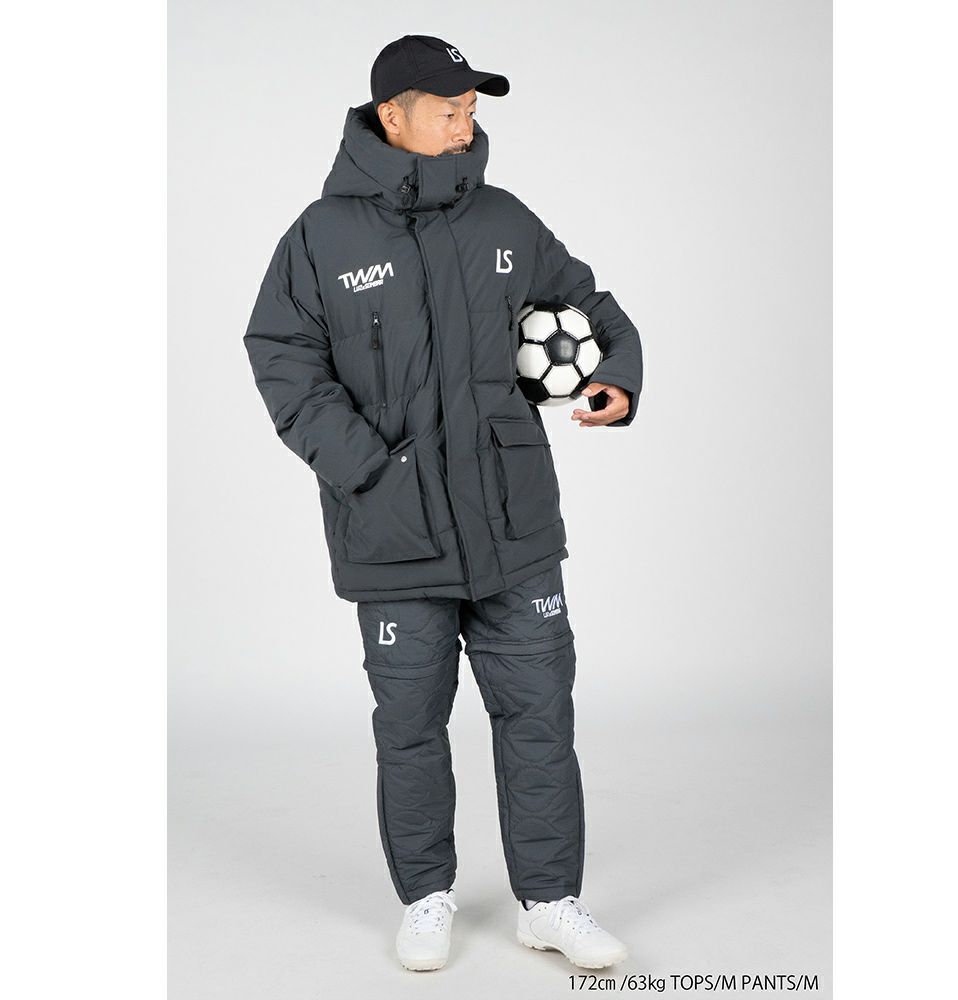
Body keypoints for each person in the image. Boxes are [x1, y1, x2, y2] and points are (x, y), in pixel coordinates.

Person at [243, 33, 643, 972]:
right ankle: (426, 897)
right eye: (449, 107)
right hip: (394, 535)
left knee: (539, 715)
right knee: (411, 726)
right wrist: (367, 467)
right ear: (393, 115)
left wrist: (618, 377)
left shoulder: (504, 220)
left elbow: (592, 306)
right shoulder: (320, 237)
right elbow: (282, 358)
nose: (467, 123)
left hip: (514, 528)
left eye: (472, 108)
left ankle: (550, 901)